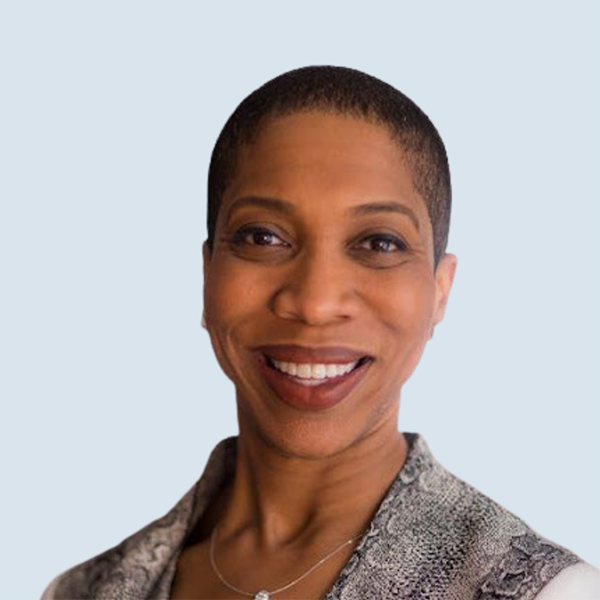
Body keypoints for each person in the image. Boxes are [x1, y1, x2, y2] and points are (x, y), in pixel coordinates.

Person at [41, 65, 600, 600]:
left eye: (379, 243)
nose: (314, 302)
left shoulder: (542, 591)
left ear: (439, 292)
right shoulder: (83, 592)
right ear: (207, 275)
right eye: (263, 237)